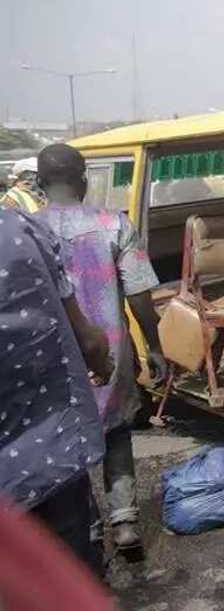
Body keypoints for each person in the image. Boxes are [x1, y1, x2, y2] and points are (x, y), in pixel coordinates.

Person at [35, 143, 168, 552]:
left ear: (39, 184)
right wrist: (156, 348)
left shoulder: (26, 231)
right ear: (85, 181)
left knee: (65, 439)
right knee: (116, 432)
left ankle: (87, 527)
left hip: (53, 357)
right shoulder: (116, 225)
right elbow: (141, 295)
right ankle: (124, 521)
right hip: (110, 353)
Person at [0, 204, 113, 573]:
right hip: (52, 453)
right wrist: (103, 364)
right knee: (71, 567)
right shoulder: (19, 228)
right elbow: (89, 339)